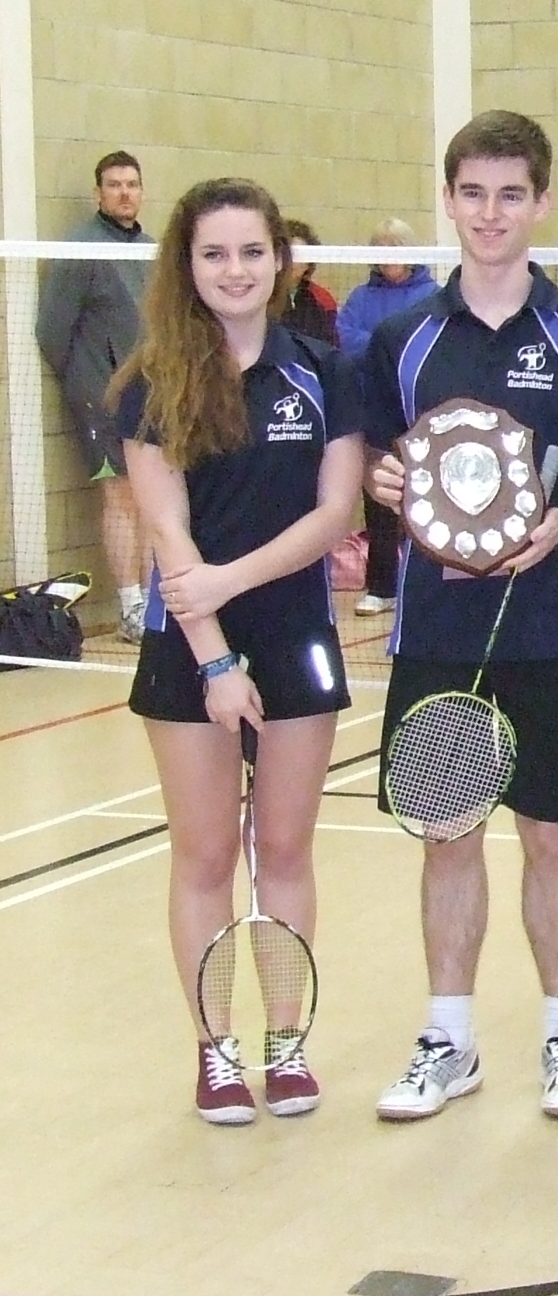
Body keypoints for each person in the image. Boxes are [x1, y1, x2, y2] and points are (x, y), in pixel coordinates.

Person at [363, 111, 558, 1122]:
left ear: (541, 203)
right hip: (436, 629)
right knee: (447, 833)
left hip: (547, 626)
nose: (490, 212)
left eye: (511, 193)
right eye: (473, 192)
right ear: (449, 198)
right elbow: (373, 468)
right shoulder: (402, 340)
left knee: (550, 836)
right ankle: (450, 1040)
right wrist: (384, 482)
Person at [106, 177, 362, 1124]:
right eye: (214, 254)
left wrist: (231, 582)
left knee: (286, 847)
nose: (235, 270)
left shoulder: (325, 370)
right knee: (206, 853)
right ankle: (216, 1053)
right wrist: (213, 655)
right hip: (190, 641)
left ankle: (286, 1042)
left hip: (294, 634)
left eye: (252, 252)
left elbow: (335, 511)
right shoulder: (149, 386)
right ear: (188, 265)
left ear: (279, 260)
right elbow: (169, 533)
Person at [37, 150, 154, 641]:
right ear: (98, 193)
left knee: (152, 497)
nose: (124, 192)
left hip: (150, 396)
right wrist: (89, 382)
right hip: (100, 400)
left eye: (131, 183)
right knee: (121, 496)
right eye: (114, 184)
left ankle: (154, 606)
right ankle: (130, 609)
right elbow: (52, 330)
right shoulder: (80, 248)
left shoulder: (149, 247)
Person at [338, 218, 439, 618]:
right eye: (381, 248)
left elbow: (428, 343)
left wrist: (383, 342)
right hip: (372, 408)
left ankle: (428, 585)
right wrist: (390, 342)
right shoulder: (359, 298)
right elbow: (347, 338)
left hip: (420, 411)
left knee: (427, 497)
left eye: (396, 247)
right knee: (379, 500)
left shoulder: (433, 294)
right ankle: (382, 586)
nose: (388, 256)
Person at [278, 220, 339, 347]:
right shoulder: (263, 296)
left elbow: (331, 345)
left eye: (300, 256)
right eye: (289, 255)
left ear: (308, 263)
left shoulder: (322, 299)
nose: (293, 262)